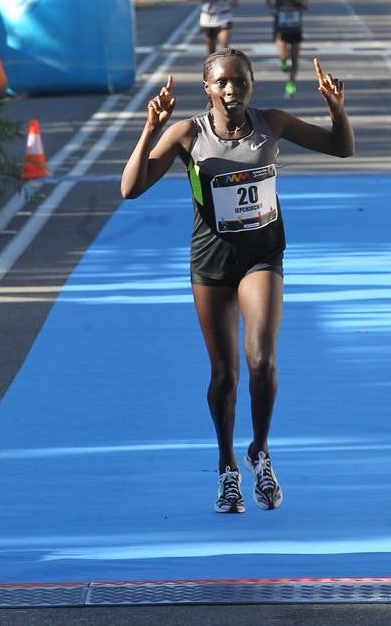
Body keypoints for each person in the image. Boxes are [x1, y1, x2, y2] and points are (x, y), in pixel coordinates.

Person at [121, 48, 355, 514]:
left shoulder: (273, 123)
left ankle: (260, 452)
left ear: (251, 83)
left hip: (262, 257)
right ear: (206, 87)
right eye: (222, 83)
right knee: (224, 374)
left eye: (240, 82)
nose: (232, 91)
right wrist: (150, 127)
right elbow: (130, 188)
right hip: (211, 263)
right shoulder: (188, 133)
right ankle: (227, 464)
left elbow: (342, 147)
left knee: (261, 360)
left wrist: (337, 109)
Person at [266, 0, 308, 99]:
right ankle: (283, 61)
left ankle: (291, 84)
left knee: (295, 57)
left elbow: (307, 5)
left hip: (295, 24)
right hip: (280, 23)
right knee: (283, 54)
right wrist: (272, 8)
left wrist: (300, 0)